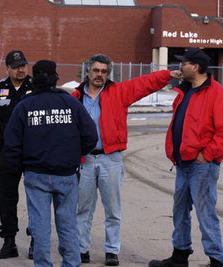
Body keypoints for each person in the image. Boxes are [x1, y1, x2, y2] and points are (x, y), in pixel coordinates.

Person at [71, 54, 182, 266]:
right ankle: (81, 249)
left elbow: (145, 83)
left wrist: (168, 75)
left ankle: (111, 251)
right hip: (84, 160)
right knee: (82, 208)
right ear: (87, 72)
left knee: (113, 209)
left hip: (110, 159)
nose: (100, 75)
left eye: (104, 71)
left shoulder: (118, 93)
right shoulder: (75, 98)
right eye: (96, 71)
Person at [148, 48, 223, 267]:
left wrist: (208, 154)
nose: (180, 67)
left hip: (202, 166)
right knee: (179, 211)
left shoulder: (215, 92)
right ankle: (180, 256)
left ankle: (217, 260)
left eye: (184, 63)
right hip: (183, 163)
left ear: (196, 66)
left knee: (205, 213)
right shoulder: (186, 90)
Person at [3, 60, 98, 267]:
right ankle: (71, 263)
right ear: (55, 78)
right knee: (68, 224)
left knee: (40, 225)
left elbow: (11, 145)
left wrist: (20, 166)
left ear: (33, 80)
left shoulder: (24, 106)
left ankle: (43, 264)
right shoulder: (71, 103)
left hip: (36, 174)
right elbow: (91, 136)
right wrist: (74, 154)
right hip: (66, 173)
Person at [0, 49, 34, 259]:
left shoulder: (36, 88)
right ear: (8, 69)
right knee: (6, 197)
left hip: (33, 153)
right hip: (7, 152)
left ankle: (35, 241)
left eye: (23, 65)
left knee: (36, 198)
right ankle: (9, 242)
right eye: (16, 67)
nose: (21, 69)